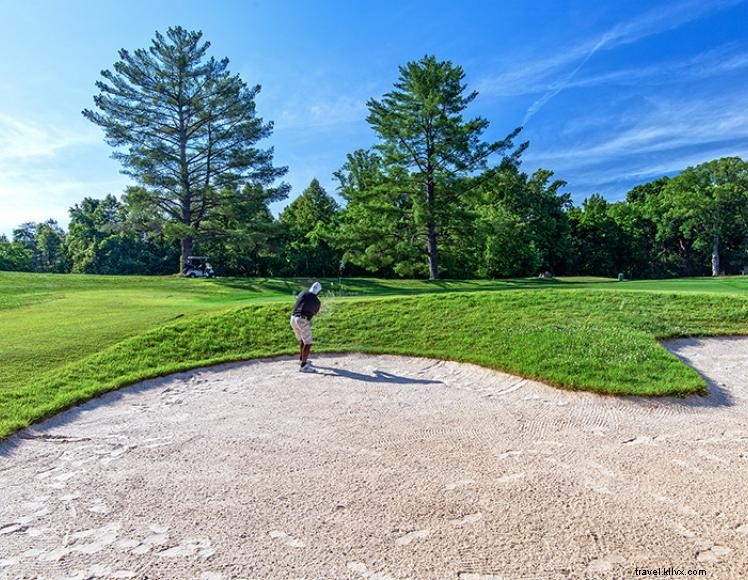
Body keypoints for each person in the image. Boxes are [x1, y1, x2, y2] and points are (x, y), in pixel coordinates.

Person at [290, 281, 322, 372]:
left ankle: (301, 360)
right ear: (318, 292)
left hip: (293, 319)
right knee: (308, 343)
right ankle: (304, 366)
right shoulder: (317, 300)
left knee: (302, 340)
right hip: (302, 320)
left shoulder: (303, 293)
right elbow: (316, 313)